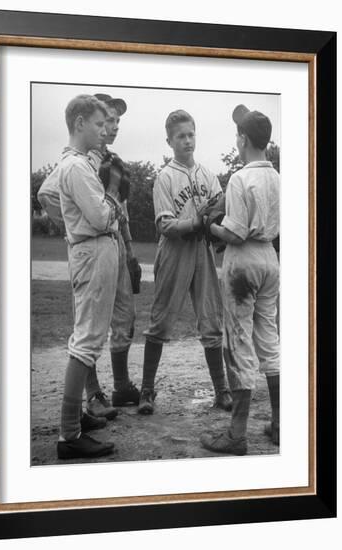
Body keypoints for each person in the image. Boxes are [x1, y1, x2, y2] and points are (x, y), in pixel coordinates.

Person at [137, 110, 232, 415]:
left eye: (191, 134)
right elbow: (165, 225)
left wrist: (212, 219)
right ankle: (147, 391)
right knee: (161, 320)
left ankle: (221, 391)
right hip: (174, 251)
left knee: (212, 319)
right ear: (169, 141)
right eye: (181, 136)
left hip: (201, 251)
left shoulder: (207, 174)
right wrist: (198, 219)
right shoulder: (164, 177)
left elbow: (220, 210)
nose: (187, 140)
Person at [200, 104, 280, 456]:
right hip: (269, 258)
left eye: (237, 134)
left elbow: (233, 233)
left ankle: (236, 434)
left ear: (243, 139)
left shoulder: (240, 177)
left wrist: (209, 225)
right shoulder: (278, 177)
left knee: (239, 343)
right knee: (269, 339)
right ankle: (279, 424)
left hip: (243, 261)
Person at [54, 94, 124, 459]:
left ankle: (75, 419)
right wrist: (112, 191)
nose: (103, 130)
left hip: (94, 248)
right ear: (79, 123)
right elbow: (100, 218)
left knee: (86, 335)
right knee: (87, 340)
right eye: (98, 124)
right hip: (93, 247)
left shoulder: (77, 163)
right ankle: (69, 436)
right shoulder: (78, 167)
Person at [83, 93, 140, 420]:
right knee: (91, 320)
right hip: (93, 242)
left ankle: (121, 385)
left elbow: (123, 210)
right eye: (107, 120)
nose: (114, 126)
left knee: (124, 314)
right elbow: (50, 195)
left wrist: (130, 248)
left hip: (117, 241)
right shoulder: (81, 160)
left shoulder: (115, 163)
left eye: (118, 121)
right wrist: (76, 232)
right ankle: (92, 394)